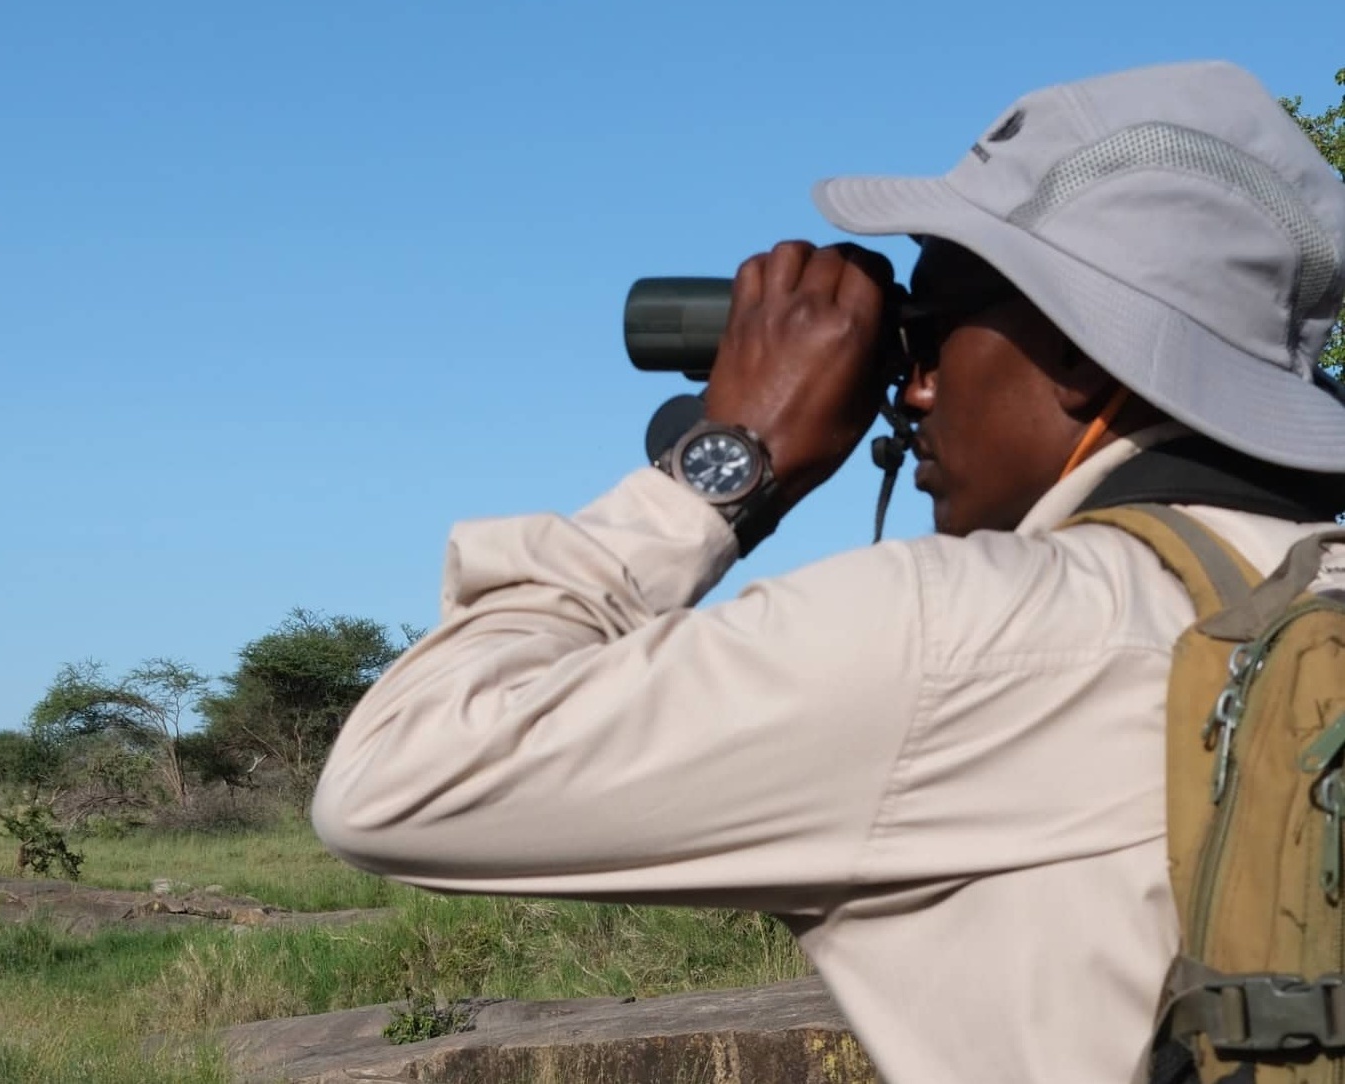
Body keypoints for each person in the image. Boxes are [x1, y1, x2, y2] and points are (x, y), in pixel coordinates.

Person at [310, 60, 1345, 1084]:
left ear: (1078, 355)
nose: (914, 388)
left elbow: (399, 777)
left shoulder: (963, 640)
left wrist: (729, 459)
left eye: (925, 333)